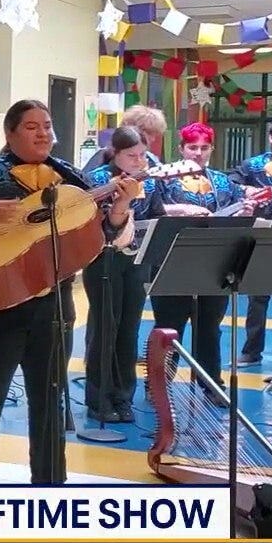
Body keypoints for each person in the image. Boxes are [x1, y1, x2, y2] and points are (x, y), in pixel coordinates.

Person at [0, 100, 135, 484]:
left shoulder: (70, 177)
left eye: (47, 125)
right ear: (10, 134)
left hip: (54, 307)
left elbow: (102, 235)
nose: (43, 133)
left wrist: (120, 206)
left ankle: (50, 487)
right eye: (31, 126)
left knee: (50, 400)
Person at [152, 122, 251, 402]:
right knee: (169, 325)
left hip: (214, 261)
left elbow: (234, 213)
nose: (198, 153)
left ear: (212, 149)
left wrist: (244, 211)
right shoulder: (162, 177)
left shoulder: (222, 181)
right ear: (181, 148)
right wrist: (178, 209)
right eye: (192, 147)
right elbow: (150, 208)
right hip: (172, 259)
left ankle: (211, 384)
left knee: (209, 326)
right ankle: (159, 385)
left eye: (204, 147)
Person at [83, 127, 166, 423]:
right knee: (105, 328)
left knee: (129, 329)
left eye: (143, 155)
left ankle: (123, 396)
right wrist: (122, 202)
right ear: (115, 153)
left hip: (137, 260)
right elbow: (94, 223)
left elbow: (157, 215)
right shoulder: (96, 180)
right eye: (132, 155)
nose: (139, 161)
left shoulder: (149, 181)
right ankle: (99, 399)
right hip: (103, 261)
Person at [229, 114, 272, 366]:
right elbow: (231, 184)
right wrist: (248, 191)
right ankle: (251, 351)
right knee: (256, 297)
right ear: (271, 138)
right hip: (260, 235)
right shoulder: (252, 165)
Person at [81, 104, 166, 173]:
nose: (152, 139)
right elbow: (83, 183)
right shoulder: (102, 155)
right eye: (149, 133)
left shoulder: (151, 159)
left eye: (155, 134)